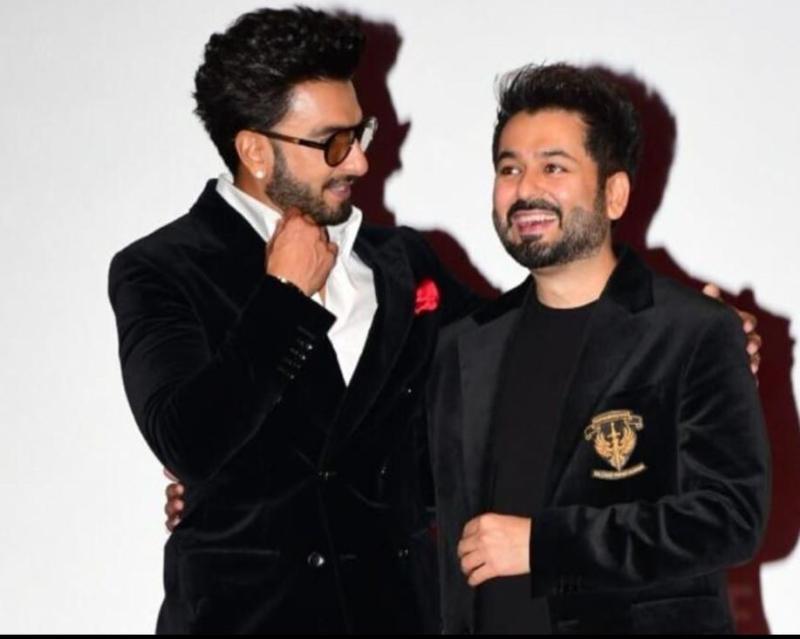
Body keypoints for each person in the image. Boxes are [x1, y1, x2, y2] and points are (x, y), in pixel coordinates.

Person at [108, 7, 475, 634]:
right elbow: (189, 441)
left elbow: (508, 368)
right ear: (255, 150)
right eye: (333, 142)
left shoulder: (404, 261)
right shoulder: (162, 267)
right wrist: (283, 295)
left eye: (361, 134)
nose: (359, 163)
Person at [426, 63, 770, 634]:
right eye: (509, 168)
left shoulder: (691, 331)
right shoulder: (463, 344)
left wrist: (545, 546)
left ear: (614, 194)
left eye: (553, 167)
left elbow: (730, 518)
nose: (525, 189)